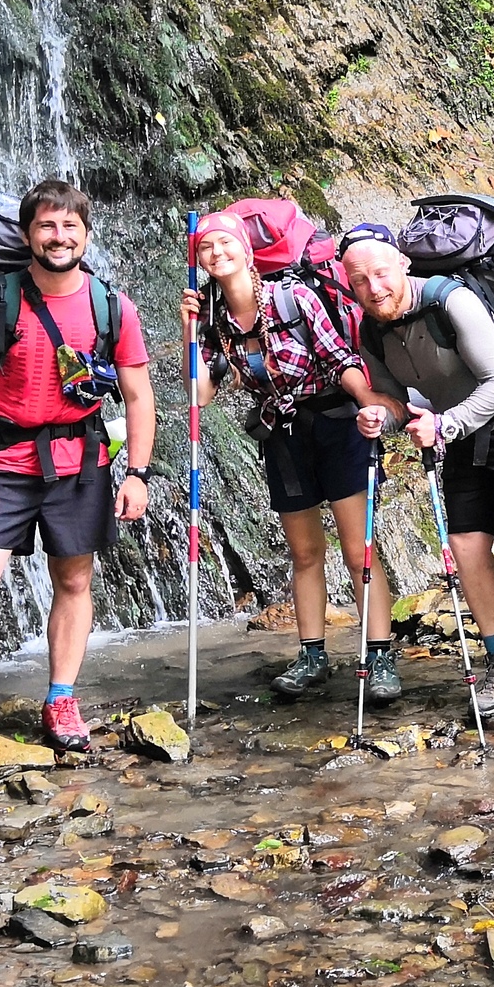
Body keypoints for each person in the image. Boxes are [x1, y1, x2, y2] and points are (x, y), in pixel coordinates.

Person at [0, 179, 153, 751]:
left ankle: (61, 698)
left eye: (69, 226)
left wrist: (136, 473)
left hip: (80, 461)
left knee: (74, 579)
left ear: (85, 233)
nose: (59, 237)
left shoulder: (111, 305)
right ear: (29, 234)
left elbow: (139, 396)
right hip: (1, 461)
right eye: (47, 226)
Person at [342, 230, 494, 724]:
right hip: (462, 428)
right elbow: (394, 401)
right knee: (467, 545)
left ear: (403, 264)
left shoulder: (452, 300)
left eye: (380, 273)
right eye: (359, 280)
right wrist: (381, 418)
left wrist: (445, 425)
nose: (374, 287)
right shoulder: (371, 329)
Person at [181, 210, 395, 702]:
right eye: (206, 249)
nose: (216, 255)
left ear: (246, 249)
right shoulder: (214, 321)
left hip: (336, 424)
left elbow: (341, 360)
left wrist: (371, 413)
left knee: (358, 548)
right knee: (304, 553)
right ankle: (312, 655)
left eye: (224, 244)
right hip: (283, 435)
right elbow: (200, 395)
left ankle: (379, 656)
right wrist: (189, 331)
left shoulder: (291, 298)